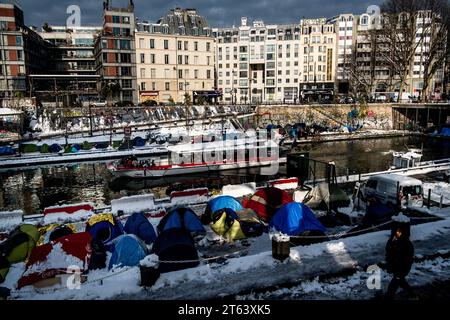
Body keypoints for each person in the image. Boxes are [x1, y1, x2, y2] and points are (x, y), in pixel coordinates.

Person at [385, 226, 416, 300]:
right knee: (402, 282)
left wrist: (401, 271)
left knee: (392, 288)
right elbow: (389, 251)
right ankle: (413, 295)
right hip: (396, 268)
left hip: (401, 269)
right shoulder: (393, 240)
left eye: (399, 232)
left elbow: (407, 259)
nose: (397, 233)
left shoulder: (406, 244)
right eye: (396, 232)